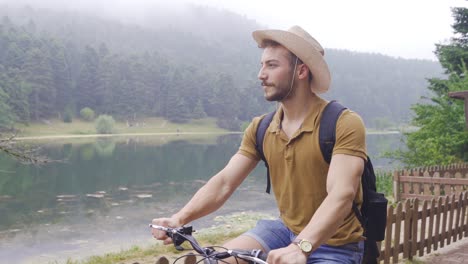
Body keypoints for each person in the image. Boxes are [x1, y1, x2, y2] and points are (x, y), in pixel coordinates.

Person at [152, 25, 367, 264]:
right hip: (283, 232)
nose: (261, 75)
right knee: (213, 261)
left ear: (301, 71)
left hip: (336, 244)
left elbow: (341, 195)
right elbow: (224, 183)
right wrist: (179, 218)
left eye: (272, 66)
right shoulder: (261, 128)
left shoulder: (342, 123)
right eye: (261, 65)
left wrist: (300, 247)